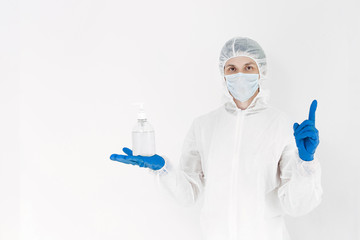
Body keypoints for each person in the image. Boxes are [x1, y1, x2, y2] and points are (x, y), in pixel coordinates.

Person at [110, 36, 323, 240]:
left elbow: (296, 205)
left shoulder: (280, 124)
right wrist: (163, 169)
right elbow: (188, 194)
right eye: (232, 69)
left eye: (248, 67)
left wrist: (306, 163)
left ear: (261, 72)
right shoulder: (204, 125)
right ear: (223, 74)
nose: (240, 75)